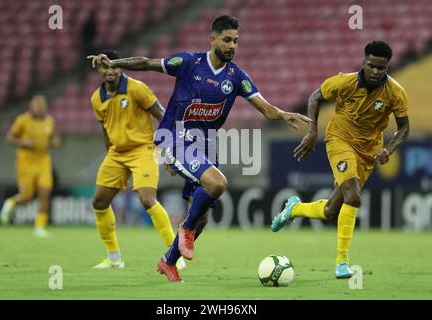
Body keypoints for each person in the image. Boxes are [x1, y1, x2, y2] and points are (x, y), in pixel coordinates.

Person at [88, 15, 311, 282]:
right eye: (227, 40)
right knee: (217, 184)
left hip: (204, 146)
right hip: (174, 139)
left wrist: (284, 114)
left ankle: (168, 260)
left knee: (202, 217)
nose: (232, 46)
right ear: (212, 39)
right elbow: (146, 63)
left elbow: (266, 108)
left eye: (236, 41)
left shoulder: (236, 76)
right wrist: (114, 63)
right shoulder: (187, 62)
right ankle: (185, 229)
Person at [271, 40, 410, 279]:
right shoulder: (344, 82)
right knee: (353, 196)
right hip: (340, 140)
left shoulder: (396, 93)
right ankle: (342, 261)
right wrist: (313, 131)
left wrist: (389, 148)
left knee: (330, 210)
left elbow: (404, 127)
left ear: (388, 66)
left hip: (369, 150)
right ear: (364, 62)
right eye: (372, 66)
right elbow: (316, 97)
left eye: (381, 68)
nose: (376, 71)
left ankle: (294, 209)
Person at [89, 49, 185, 270]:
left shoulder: (136, 88)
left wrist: (169, 151)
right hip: (116, 153)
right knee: (99, 202)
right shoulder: (96, 98)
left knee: (147, 199)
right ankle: (114, 258)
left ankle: (175, 254)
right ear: (100, 69)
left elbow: (163, 115)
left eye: (114, 66)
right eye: (105, 66)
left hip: (143, 149)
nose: (110, 70)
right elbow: (105, 129)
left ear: (120, 66)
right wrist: (110, 158)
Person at [0, 94, 62, 237]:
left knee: (45, 192)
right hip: (25, 162)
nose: (39, 108)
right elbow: (10, 138)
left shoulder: (49, 122)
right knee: (27, 196)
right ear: (31, 106)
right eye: (37, 105)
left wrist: (56, 142)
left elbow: (54, 138)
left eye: (42, 105)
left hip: (43, 161)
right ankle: (11, 203)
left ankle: (39, 227)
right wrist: (23, 143)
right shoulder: (22, 120)